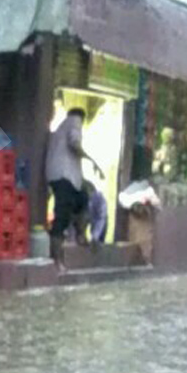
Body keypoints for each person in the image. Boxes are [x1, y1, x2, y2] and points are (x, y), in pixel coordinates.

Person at [46, 107, 104, 269]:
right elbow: (74, 143)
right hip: (63, 177)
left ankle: (80, 234)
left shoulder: (60, 129)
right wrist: (92, 160)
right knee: (62, 218)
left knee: (83, 200)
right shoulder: (74, 122)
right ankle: (56, 260)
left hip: (66, 177)